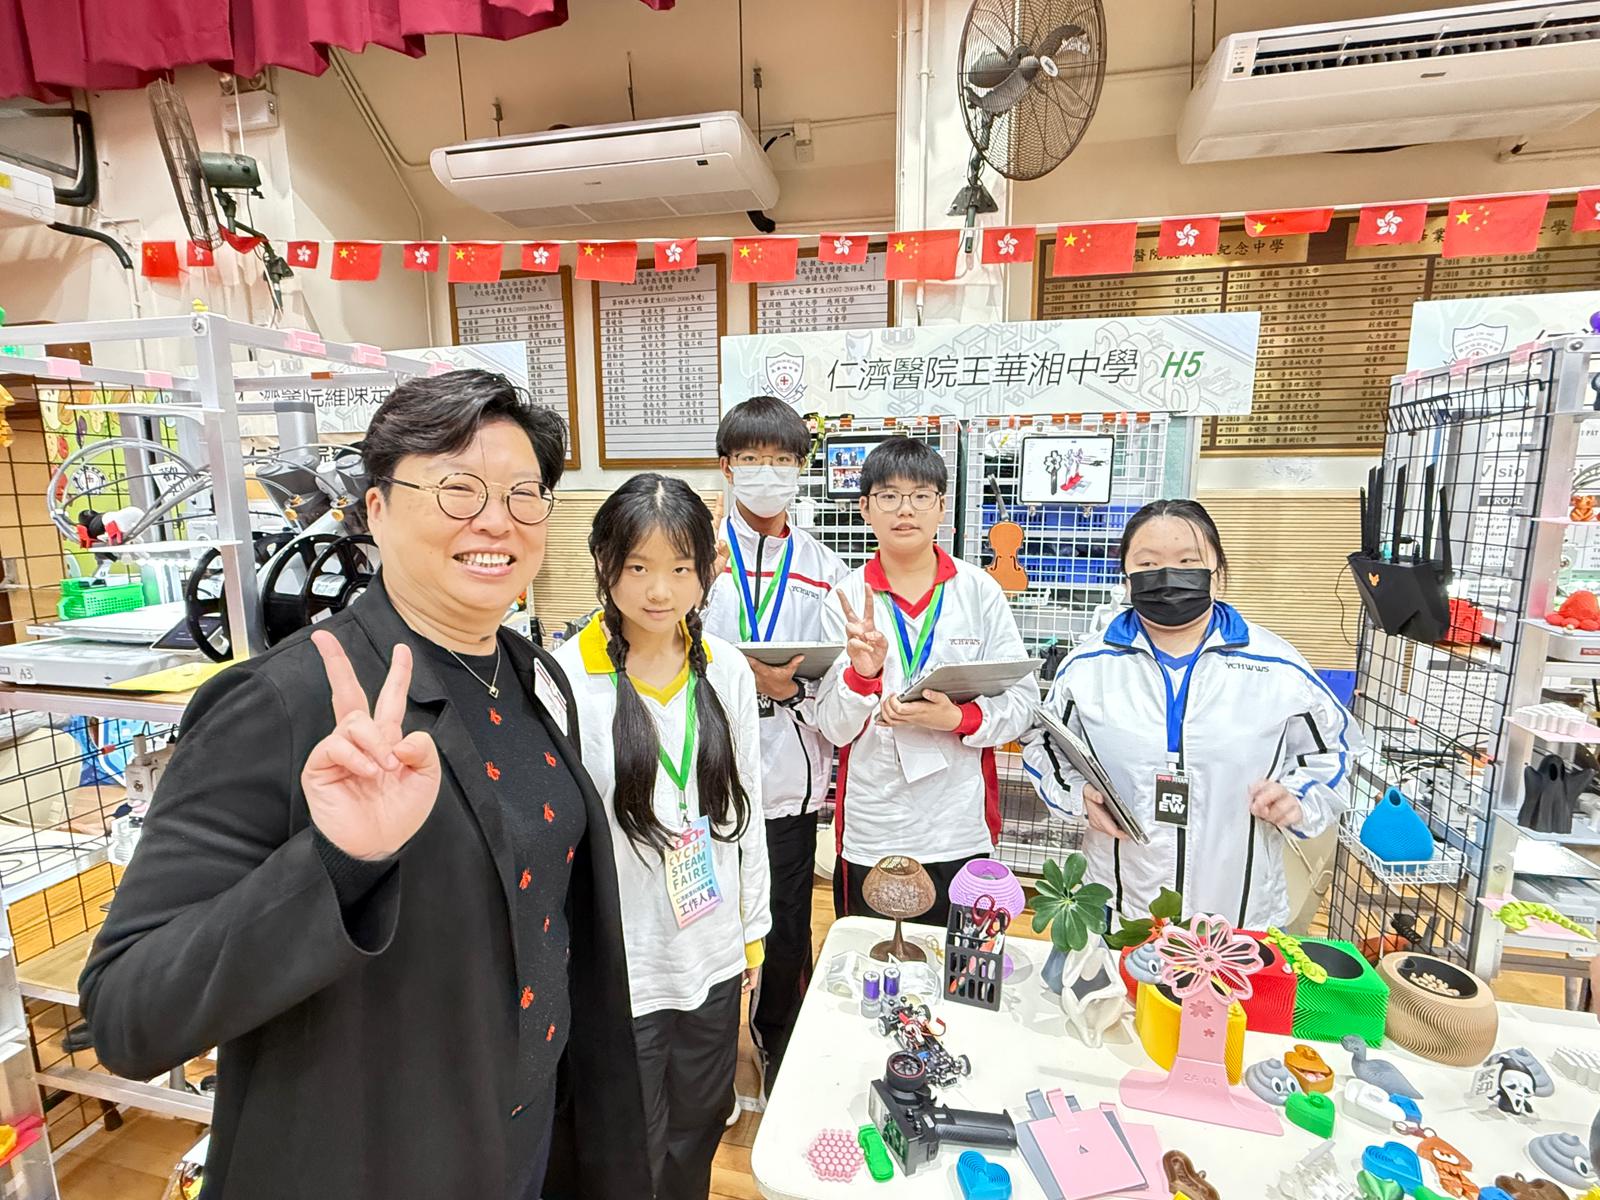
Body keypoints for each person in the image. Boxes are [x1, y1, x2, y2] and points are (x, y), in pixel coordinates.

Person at [78, 371, 650, 1200]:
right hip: (378, 1163)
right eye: (458, 489)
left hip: (526, 1137)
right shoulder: (285, 703)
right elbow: (128, 1013)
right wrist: (337, 861)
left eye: (524, 494)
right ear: (376, 510)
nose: (497, 521)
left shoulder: (529, 673)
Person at [556, 473, 771, 1200]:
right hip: (621, 966)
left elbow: (746, 813)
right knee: (625, 1150)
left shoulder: (728, 670)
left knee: (697, 1129)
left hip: (710, 954)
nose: (659, 590)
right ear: (604, 563)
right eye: (638, 566)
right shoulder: (566, 680)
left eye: (681, 568)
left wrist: (752, 935)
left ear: (707, 570)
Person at [1022, 498, 1359, 930]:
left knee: (1228, 975)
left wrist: (1299, 795)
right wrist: (1077, 794)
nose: (1168, 576)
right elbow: (1047, 744)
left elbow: (1333, 750)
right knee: (1124, 973)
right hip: (1122, 902)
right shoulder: (1087, 668)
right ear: (1126, 575)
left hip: (1239, 908)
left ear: (1217, 569)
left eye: (1187, 561)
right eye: (1148, 563)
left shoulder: (1276, 666)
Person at [815, 437, 1036, 925]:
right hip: (874, 825)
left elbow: (1023, 701)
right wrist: (863, 675)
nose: (905, 510)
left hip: (959, 825)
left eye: (920, 496)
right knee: (869, 958)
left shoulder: (978, 591)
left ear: (941, 507)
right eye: (889, 496)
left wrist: (959, 718)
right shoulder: (846, 599)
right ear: (864, 508)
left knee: (959, 962)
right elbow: (831, 726)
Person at [701, 396, 844, 1094]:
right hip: (704, 782)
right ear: (727, 467)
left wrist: (790, 690)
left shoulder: (825, 567)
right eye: (751, 459)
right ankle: (707, 1068)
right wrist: (735, 669)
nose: (767, 472)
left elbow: (840, 675)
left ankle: (779, 1049)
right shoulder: (696, 554)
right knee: (703, 924)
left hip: (788, 784)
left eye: (782, 459)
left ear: (800, 469)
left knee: (786, 927)